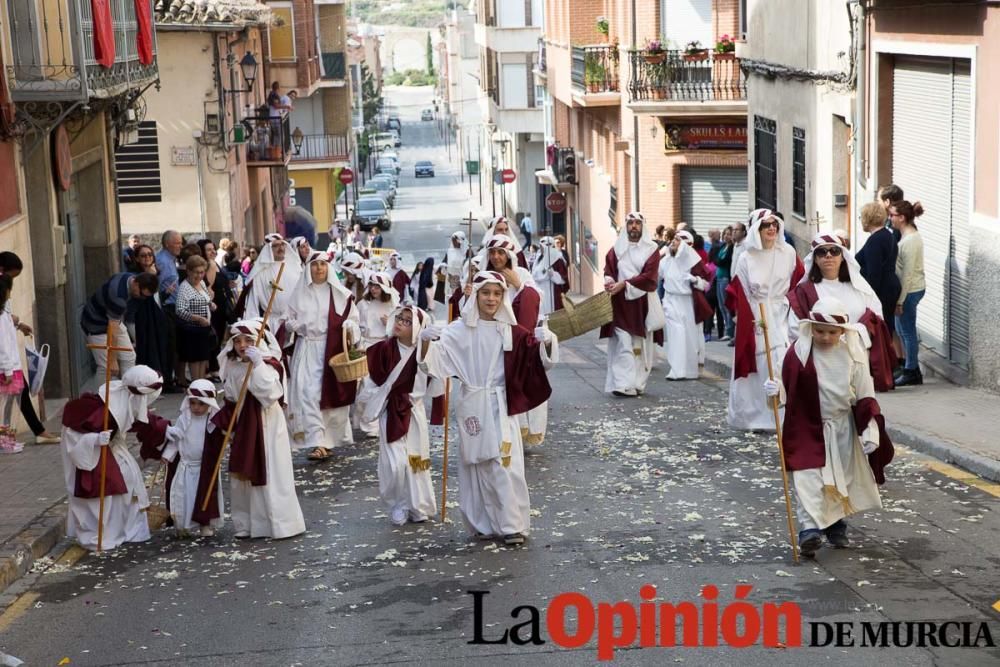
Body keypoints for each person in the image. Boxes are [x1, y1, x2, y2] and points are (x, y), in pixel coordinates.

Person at [418, 271, 558, 545]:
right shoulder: (458, 331)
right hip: (472, 403)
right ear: (476, 295)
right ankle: (482, 523)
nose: (491, 299)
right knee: (476, 463)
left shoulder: (512, 332)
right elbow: (433, 364)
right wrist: (424, 341)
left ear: (503, 297)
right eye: (485, 293)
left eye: (497, 293)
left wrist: (548, 340)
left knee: (503, 464)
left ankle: (511, 525)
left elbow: (539, 363)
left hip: (500, 406)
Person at [766, 297, 893, 557]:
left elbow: (865, 395)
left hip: (841, 427)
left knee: (837, 480)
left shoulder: (853, 356)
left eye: (832, 332)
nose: (825, 337)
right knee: (807, 477)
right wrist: (774, 390)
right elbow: (784, 386)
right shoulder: (797, 353)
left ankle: (835, 524)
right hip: (804, 425)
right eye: (820, 331)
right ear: (810, 328)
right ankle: (809, 530)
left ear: (842, 331)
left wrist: (870, 428)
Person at [59, 365, 165, 550]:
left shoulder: (124, 399)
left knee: (130, 479)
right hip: (91, 454)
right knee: (109, 486)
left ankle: (127, 529)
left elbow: (142, 420)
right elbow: (72, 436)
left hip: (112, 447)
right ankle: (104, 534)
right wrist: (94, 439)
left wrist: (166, 430)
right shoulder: (96, 410)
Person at [216, 319, 305, 539]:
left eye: (248, 340)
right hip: (242, 426)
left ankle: (278, 524)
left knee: (270, 471)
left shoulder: (270, 364)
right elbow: (230, 397)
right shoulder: (233, 366)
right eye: (238, 341)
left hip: (267, 425)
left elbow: (271, 394)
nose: (243, 345)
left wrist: (258, 367)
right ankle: (246, 523)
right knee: (242, 476)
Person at [725, 209, 803, 430]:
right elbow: (741, 292)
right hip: (756, 312)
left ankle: (780, 414)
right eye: (765, 225)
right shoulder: (746, 257)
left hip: (782, 312)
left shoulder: (788, 252)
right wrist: (752, 322)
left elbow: (798, 282)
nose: (771, 229)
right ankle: (755, 416)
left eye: (774, 225)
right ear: (756, 229)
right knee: (759, 362)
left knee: (782, 358)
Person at [363, 305, 441, 525]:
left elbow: (435, 379)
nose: (400, 322)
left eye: (407, 321)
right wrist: (373, 397)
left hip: (414, 410)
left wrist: (425, 346)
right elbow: (372, 382)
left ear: (417, 327)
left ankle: (418, 505)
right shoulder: (383, 350)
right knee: (395, 463)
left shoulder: (424, 352)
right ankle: (398, 503)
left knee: (416, 460)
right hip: (390, 411)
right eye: (399, 318)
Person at [789, 233, 898, 392]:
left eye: (834, 251)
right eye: (822, 252)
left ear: (842, 256)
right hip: (822, 363)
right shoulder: (804, 291)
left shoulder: (859, 287)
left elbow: (876, 320)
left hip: (856, 360)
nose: (828, 256)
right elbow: (795, 328)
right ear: (815, 259)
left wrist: (853, 335)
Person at [286, 252, 361, 461]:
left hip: (332, 350)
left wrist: (350, 326)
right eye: (315, 265)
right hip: (307, 348)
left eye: (323, 264)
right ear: (308, 269)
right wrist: (293, 326)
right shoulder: (299, 293)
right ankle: (317, 440)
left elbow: (354, 320)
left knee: (327, 396)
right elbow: (288, 319)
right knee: (308, 394)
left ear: (328, 268)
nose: (319, 268)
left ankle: (326, 441)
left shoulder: (341, 295)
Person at [600, 212, 665, 397]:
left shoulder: (652, 249)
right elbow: (608, 269)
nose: (634, 226)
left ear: (642, 226)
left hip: (642, 302)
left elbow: (649, 276)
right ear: (626, 226)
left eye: (637, 223)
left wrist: (625, 284)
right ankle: (622, 383)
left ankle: (637, 382)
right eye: (630, 223)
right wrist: (610, 280)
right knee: (623, 342)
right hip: (619, 303)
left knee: (640, 346)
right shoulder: (616, 248)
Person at [160, 380, 224, 537]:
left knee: (205, 496)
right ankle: (183, 525)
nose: (196, 408)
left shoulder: (213, 422)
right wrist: (168, 455)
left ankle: (205, 523)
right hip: (186, 467)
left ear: (209, 404)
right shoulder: (184, 419)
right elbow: (176, 439)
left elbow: (219, 442)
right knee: (184, 496)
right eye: (193, 403)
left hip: (205, 467)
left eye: (201, 404)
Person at [81, 271, 159, 382]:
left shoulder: (128, 276)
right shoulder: (118, 298)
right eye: (141, 294)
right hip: (95, 325)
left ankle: (126, 391)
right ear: (136, 284)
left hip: (112, 318)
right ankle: (98, 397)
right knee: (106, 367)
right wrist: (113, 360)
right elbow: (113, 330)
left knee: (129, 357)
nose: (141, 298)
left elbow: (114, 324)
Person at [659, 230, 712, 380]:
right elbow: (656, 273)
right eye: (673, 240)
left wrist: (695, 280)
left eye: (677, 240)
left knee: (690, 337)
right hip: (670, 300)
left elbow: (706, 284)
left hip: (688, 302)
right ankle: (676, 370)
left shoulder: (695, 263)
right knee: (676, 334)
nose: (673, 242)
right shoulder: (666, 261)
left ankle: (689, 370)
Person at [235, 234, 303, 346]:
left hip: (295, 322)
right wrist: (252, 330)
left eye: (282, 244)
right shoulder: (260, 273)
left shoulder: (295, 268)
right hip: (272, 324)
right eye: (275, 246)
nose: (280, 248)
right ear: (268, 249)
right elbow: (252, 304)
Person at [890, 200, 926, 387]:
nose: (890, 219)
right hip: (906, 291)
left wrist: (900, 301)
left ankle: (912, 371)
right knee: (901, 330)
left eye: (892, 215)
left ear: (902, 218)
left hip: (910, 291)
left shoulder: (911, 241)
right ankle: (910, 368)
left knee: (907, 331)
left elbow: (908, 274)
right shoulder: (905, 236)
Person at [855, 202, 900, 343]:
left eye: (861, 216)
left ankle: (884, 361)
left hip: (882, 290)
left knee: (882, 329)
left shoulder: (875, 240)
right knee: (887, 326)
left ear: (868, 218)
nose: (861, 220)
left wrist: (867, 296)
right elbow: (858, 259)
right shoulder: (887, 235)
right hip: (890, 286)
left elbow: (874, 273)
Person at [175, 256, 216, 382]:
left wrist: (211, 304)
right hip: (192, 330)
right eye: (196, 272)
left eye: (202, 272)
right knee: (195, 359)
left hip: (204, 329)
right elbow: (180, 310)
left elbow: (206, 298)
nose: (199, 275)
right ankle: (196, 384)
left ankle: (201, 383)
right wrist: (198, 318)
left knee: (203, 357)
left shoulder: (202, 283)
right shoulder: (184, 288)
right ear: (189, 272)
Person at [156, 230, 184, 391]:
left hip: (173, 307)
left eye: (180, 242)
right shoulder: (163, 261)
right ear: (167, 244)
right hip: (167, 308)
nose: (180, 246)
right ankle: (166, 381)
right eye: (177, 242)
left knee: (174, 346)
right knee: (169, 346)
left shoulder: (170, 260)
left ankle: (170, 378)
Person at [0, 275, 25, 453]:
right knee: (4, 408)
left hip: (11, 366)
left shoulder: (5, 315)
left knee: (10, 406)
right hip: (6, 370)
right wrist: (8, 369)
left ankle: (9, 439)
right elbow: (1, 346)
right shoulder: (0, 318)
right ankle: (4, 441)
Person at [532, 237, 569, 315]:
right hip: (540, 290)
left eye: (542, 247)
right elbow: (534, 274)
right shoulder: (539, 257)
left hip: (552, 291)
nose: (541, 249)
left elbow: (562, 279)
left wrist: (552, 274)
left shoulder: (558, 259)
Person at [713, 227, 735, 341]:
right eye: (725, 234)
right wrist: (717, 261)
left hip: (726, 278)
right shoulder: (722, 246)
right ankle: (727, 327)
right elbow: (715, 259)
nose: (726, 236)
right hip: (719, 277)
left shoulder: (732, 248)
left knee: (727, 305)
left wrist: (718, 261)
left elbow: (723, 261)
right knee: (721, 306)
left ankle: (729, 331)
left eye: (729, 234)